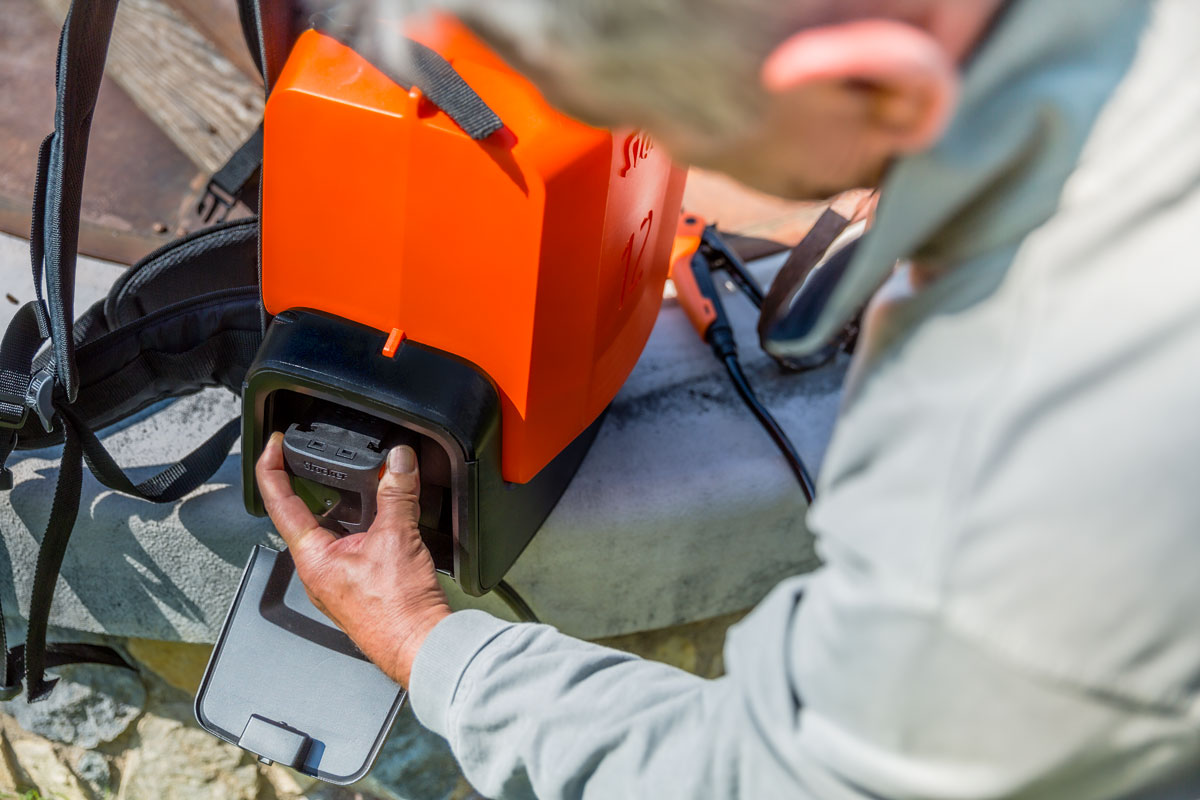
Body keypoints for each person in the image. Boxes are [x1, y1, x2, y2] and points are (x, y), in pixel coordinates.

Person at [256, 0, 1200, 796]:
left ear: (872, 83)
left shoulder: (1002, 484)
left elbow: (760, 776)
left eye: (664, 132)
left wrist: (428, 644)